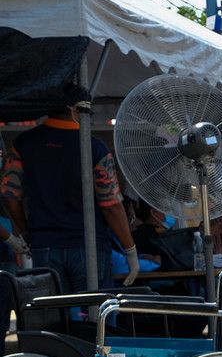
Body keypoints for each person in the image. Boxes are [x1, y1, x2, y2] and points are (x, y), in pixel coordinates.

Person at [0, 85, 139, 291]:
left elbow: (9, 194)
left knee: (56, 316)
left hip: (44, 245)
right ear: (76, 109)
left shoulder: (24, 143)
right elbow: (110, 205)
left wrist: (26, 232)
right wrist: (130, 250)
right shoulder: (95, 148)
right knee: (94, 315)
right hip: (89, 246)